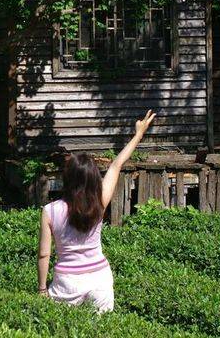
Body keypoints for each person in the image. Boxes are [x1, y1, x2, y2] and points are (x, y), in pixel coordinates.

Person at [36, 110, 157, 312]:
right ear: (93, 178)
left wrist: (41, 289)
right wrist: (138, 134)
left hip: (67, 284)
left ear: (67, 178)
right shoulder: (99, 202)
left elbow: (43, 254)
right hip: (100, 280)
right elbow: (117, 164)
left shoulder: (50, 211)